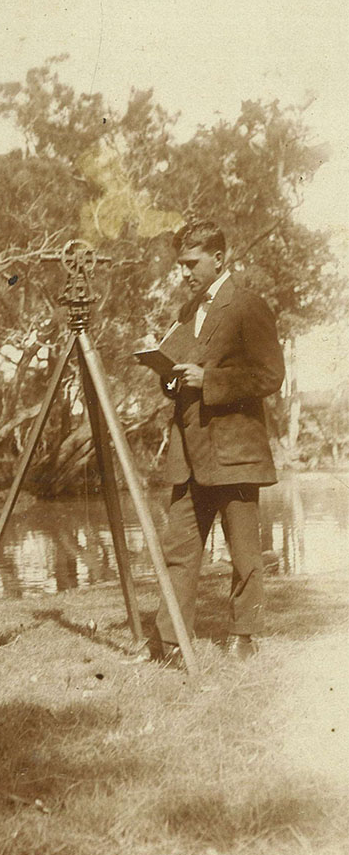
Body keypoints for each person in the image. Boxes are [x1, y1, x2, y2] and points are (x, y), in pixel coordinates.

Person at [148, 220, 285, 664]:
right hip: (188, 452)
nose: (184, 273)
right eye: (181, 265)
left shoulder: (247, 305)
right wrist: (169, 378)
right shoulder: (188, 312)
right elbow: (179, 374)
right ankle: (170, 644)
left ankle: (244, 636)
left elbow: (270, 375)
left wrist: (210, 380)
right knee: (179, 551)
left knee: (244, 551)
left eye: (192, 263)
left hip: (236, 453)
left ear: (219, 258)